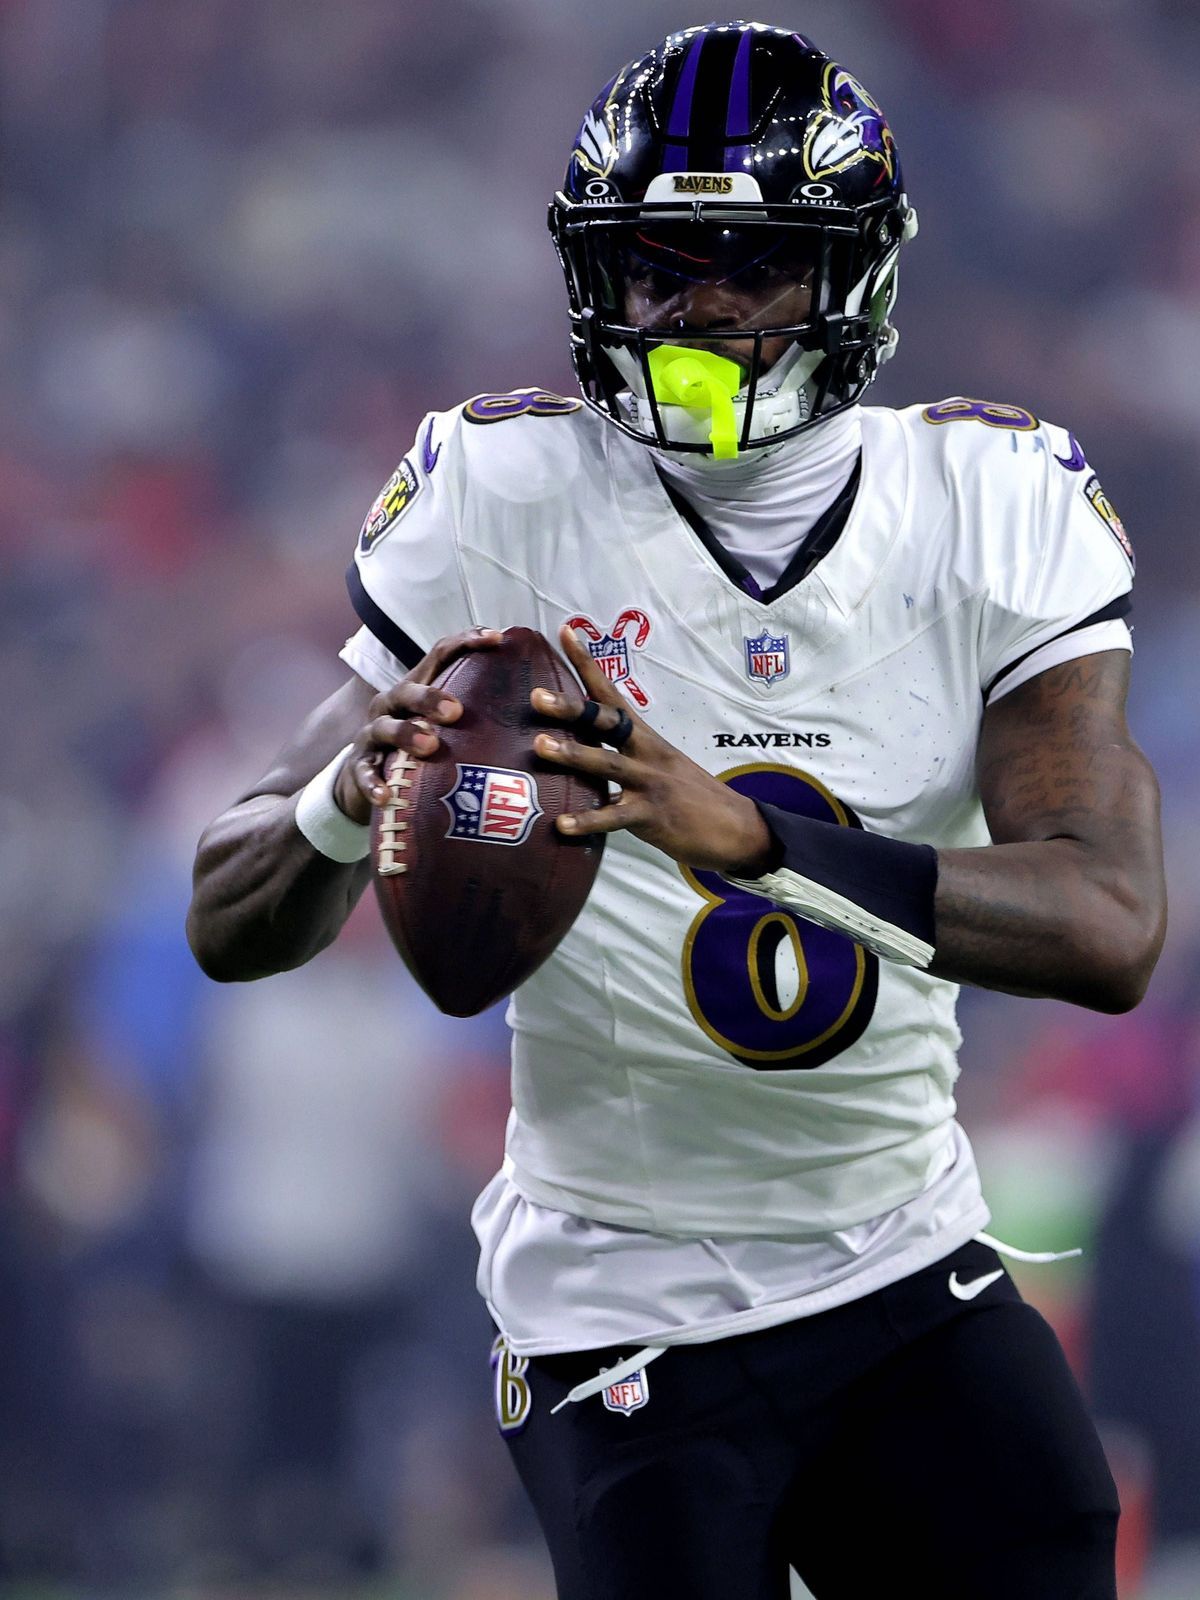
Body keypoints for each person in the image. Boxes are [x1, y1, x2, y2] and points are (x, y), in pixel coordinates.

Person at [187, 21, 1167, 1599]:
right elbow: (224, 913)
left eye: (746, 263)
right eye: (653, 266)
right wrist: (337, 798)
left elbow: (1109, 926)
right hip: (619, 1293)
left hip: (904, 1252)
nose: (692, 309)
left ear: (850, 278)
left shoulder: (995, 504)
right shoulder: (499, 498)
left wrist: (757, 837)